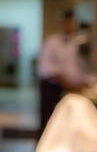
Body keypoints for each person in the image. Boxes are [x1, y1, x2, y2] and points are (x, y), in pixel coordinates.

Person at [37, 10, 90, 138]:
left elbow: (77, 67)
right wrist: (67, 82)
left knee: (67, 125)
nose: (71, 26)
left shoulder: (75, 43)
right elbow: (46, 67)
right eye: (68, 23)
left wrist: (83, 82)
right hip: (52, 87)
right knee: (49, 122)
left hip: (71, 88)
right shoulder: (52, 41)